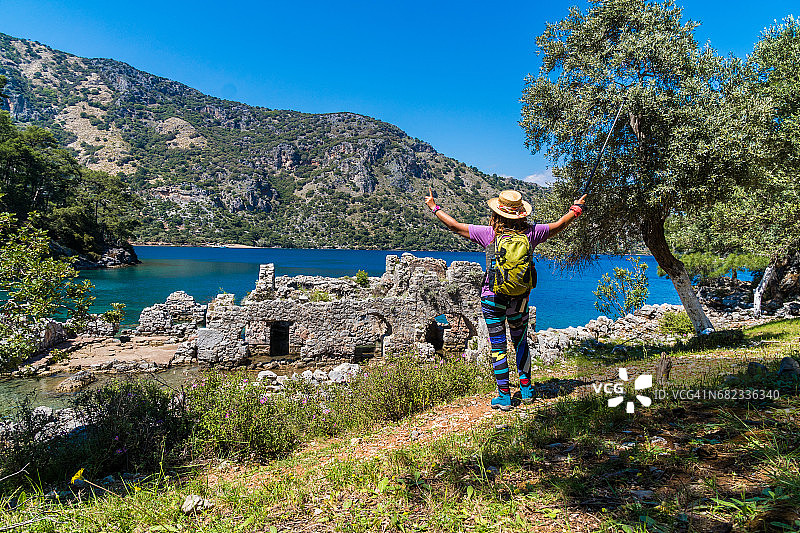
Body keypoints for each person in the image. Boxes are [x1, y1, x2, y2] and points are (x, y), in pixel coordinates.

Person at [424, 187, 586, 410]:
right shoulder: (532, 233)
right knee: (520, 341)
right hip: (519, 299)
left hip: (492, 299)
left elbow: (454, 226)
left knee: (498, 347)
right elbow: (560, 225)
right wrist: (575, 209)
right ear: (521, 213)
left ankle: (504, 396)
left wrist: (434, 208)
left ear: (497, 213)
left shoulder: (488, 234)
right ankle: (527, 390)